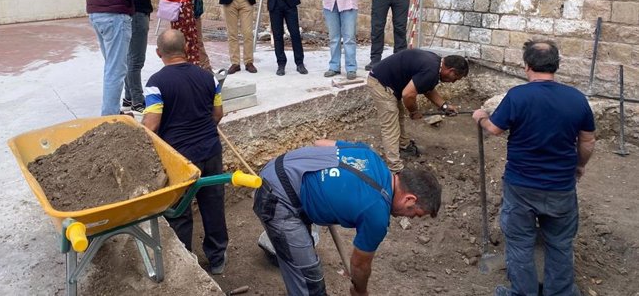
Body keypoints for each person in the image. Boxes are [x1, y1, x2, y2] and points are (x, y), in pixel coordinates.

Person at [472, 40, 595, 296]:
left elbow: (495, 129)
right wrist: (580, 166)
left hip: (521, 186)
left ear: (526, 65)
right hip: (561, 186)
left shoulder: (518, 95)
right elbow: (587, 140)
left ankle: (522, 292)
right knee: (560, 243)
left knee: (519, 243)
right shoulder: (576, 98)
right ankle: (560, 292)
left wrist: (481, 117)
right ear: (556, 65)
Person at [253, 139, 442, 296]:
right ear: (410, 199)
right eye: (415, 214)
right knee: (309, 279)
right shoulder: (376, 213)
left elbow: (320, 143)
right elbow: (360, 264)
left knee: (303, 255)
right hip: (277, 197)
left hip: (281, 166)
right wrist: (360, 290)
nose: (410, 218)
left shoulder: (370, 155)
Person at [142, 29, 228, 275]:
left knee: (179, 211)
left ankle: (185, 261)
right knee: (213, 204)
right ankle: (218, 257)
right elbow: (218, 114)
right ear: (187, 47)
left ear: (159, 53)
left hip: (180, 159)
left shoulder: (156, 83)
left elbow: (152, 124)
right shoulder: (208, 78)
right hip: (211, 150)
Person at [367, 50, 469, 172]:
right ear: (451, 70)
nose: (453, 82)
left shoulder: (435, 63)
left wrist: (444, 106)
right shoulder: (431, 70)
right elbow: (408, 95)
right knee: (390, 126)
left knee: (398, 117)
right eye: (455, 78)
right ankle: (395, 168)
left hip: (388, 82)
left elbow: (427, 88)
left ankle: (404, 146)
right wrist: (414, 111)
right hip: (380, 83)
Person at [117, 0, 156, 113]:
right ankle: (138, 100)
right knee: (135, 60)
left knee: (129, 58)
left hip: (137, 12)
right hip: (137, 13)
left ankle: (129, 96)